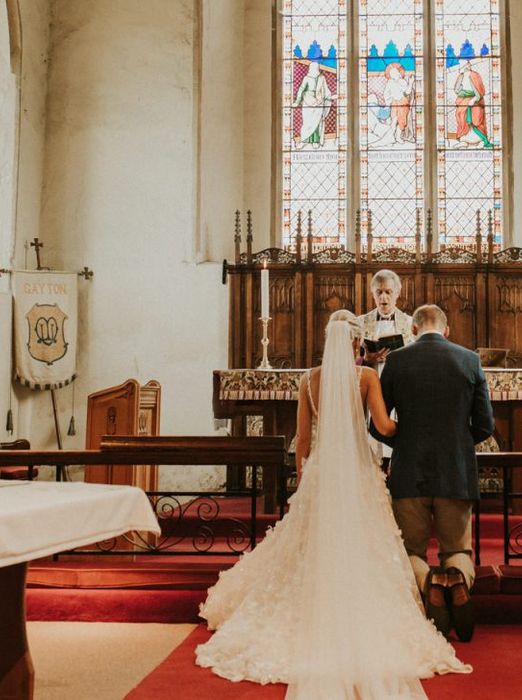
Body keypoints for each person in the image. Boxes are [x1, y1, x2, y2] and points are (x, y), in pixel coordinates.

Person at [195, 310, 470, 698]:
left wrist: (305, 478)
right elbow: (385, 427)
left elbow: (303, 441)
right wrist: (417, 425)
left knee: (311, 542)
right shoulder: (367, 377)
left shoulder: (308, 381)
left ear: (328, 340)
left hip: (324, 472)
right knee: (366, 541)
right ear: (358, 343)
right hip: (358, 470)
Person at [371, 304, 495, 643]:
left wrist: (407, 438)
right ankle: (454, 579)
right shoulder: (470, 360)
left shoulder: (397, 360)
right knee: (458, 548)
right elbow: (486, 424)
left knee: (410, 550)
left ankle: (430, 584)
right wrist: (455, 442)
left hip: (409, 471)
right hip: (455, 471)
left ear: (412, 330)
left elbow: (377, 426)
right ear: (447, 329)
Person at [358, 269, 415, 368]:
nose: (383, 297)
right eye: (379, 292)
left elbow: (416, 358)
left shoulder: (410, 323)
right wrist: (366, 360)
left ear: (397, 294)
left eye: (388, 292)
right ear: (373, 294)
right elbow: (349, 360)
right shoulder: (360, 322)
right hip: (371, 379)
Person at [293, 61, 335, 150]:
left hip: (319, 103)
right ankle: (304, 140)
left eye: (317, 68)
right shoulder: (306, 78)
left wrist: (329, 97)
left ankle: (315, 141)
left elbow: (325, 89)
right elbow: (301, 89)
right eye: (314, 68)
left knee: (317, 123)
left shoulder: (322, 78)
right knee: (307, 123)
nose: (316, 70)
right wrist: (297, 101)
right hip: (308, 102)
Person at [453, 59, 492, 149]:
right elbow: (457, 89)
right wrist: (461, 76)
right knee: (461, 116)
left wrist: (474, 99)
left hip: (476, 100)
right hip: (463, 99)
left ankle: (481, 140)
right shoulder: (461, 75)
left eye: (466, 65)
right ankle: (464, 141)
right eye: (463, 66)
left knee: (476, 119)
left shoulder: (475, 75)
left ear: (468, 65)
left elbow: (480, 90)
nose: (465, 67)